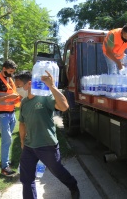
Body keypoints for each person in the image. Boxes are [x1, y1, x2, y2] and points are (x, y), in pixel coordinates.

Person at [14, 70, 80, 199]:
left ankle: (73, 185)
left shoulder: (45, 97)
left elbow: (64, 107)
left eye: (18, 85)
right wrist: (22, 142)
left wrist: (52, 86)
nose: (17, 89)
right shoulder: (24, 102)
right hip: (29, 146)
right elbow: (22, 123)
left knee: (57, 171)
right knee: (26, 179)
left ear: (29, 84)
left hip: (47, 145)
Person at [0, 59, 21, 176]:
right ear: (4, 68)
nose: (11, 74)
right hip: (2, 115)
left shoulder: (9, 79)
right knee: (7, 140)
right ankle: (4, 167)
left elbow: (12, 96)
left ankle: (4, 161)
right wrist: (8, 96)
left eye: (13, 72)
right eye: (10, 71)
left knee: (7, 140)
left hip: (11, 113)